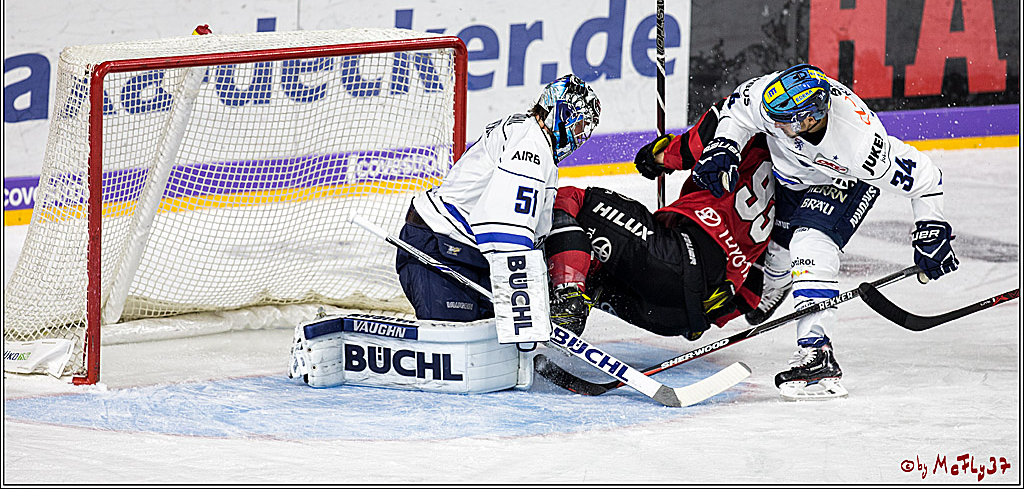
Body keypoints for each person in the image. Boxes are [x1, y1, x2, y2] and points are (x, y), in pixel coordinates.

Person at [680, 63, 958, 398]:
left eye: (784, 120)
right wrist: (724, 145)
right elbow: (738, 114)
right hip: (792, 176)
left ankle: (816, 350)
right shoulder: (773, 95)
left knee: (809, 242)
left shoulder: (861, 147)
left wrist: (931, 228)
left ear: (811, 118)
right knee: (777, 249)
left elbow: (925, 177)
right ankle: (777, 282)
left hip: (843, 183)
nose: (773, 124)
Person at [544, 98, 773, 343]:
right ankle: (553, 306)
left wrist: (658, 156)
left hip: (672, 261)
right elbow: (756, 290)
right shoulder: (794, 188)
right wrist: (716, 314)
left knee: (568, 200)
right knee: (591, 269)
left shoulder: (747, 118)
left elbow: (695, 146)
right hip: (678, 315)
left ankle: (565, 299)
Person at [395, 75, 600, 322]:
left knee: (495, 349)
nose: (580, 137)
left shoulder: (531, 135)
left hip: (465, 253)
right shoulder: (531, 145)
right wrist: (526, 306)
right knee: (462, 350)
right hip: (440, 251)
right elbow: (505, 230)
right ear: (560, 115)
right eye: (579, 126)